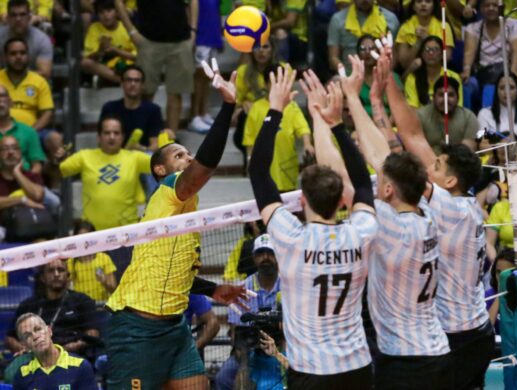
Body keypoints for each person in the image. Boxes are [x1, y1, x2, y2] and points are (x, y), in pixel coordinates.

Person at [303, 57, 451, 388]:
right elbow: (381, 158)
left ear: (386, 190)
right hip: (438, 350)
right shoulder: (427, 211)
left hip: (406, 362)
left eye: (381, 180)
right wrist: (355, 100)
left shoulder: (386, 222)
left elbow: (339, 176)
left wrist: (320, 117)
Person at [105, 68, 248, 389]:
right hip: (136, 328)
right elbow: (204, 167)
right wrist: (227, 107)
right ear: (160, 169)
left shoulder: (186, 212)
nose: (188, 158)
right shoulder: (168, 190)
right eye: (179, 155)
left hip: (175, 327)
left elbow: (171, 269)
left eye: (188, 153)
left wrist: (213, 290)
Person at [249, 66, 378, 388]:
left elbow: (258, 173)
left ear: (302, 201)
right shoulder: (360, 231)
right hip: (357, 367)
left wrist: (275, 109)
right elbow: (363, 182)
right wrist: (336, 125)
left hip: (311, 372)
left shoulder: (290, 237)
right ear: (341, 202)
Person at [376, 42, 494, 389]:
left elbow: (412, 136)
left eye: (437, 166)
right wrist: (382, 107)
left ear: (451, 180)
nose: (430, 169)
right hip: (477, 332)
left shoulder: (448, 207)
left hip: (456, 338)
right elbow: (403, 141)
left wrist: (389, 84)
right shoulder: (470, 206)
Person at [114, 0, 197, 132]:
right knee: (145, 92)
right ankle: (144, 137)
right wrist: (131, 32)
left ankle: (172, 139)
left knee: (176, 93)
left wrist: (193, 31)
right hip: (148, 40)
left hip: (181, 40)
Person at [58, 116, 151, 230]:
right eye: (107, 133)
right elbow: (60, 171)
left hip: (127, 232)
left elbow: (162, 165)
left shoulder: (134, 158)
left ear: (122, 137)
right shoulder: (84, 156)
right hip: (92, 231)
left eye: (116, 133)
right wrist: (58, 159)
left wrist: (168, 145)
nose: (111, 137)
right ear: (99, 137)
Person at [218, 233, 282, 390]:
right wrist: (245, 358)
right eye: (260, 254)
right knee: (223, 377)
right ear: (254, 258)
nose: (265, 258)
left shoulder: (290, 286)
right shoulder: (241, 290)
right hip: (248, 350)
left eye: (270, 253)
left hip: (282, 346)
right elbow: (236, 334)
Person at [5, 259, 100, 357]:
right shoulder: (28, 305)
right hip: (35, 357)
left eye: (61, 270)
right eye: (51, 270)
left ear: (68, 276)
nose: (56, 274)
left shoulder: (82, 301)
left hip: (71, 356)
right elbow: (10, 338)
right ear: (43, 278)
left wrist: (61, 350)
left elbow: (92, 334)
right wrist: (26, 351)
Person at [243, 64, 313, 192]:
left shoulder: (291, 106)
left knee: (289, 195)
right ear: (265, 84)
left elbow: (302, 127)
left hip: (286, 162)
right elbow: (250, 137)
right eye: (273, 82)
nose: (277, 86)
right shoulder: (256, 107)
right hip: (264, 161)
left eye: (281, 82)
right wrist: (249, 159)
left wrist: (307, 144)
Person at [0, 37, 61, 166]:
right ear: (5, 57)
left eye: (22, 53)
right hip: (2, 130)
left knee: (55, 139)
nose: (18, 57)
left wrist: (31, 132)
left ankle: (55, 186)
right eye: (13, 53)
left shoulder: (39, 81)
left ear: (28, 56)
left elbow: (48, 113)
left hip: (34, 131)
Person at [462, 0, 517, 105]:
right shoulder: (473, 28)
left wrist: (513, 73)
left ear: (503, 7)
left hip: (506, 73)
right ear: (480, 9)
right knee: (467, 84)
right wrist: (466, 70)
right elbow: (469, 53)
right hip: (482, 74)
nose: (491, 8)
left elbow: (516, 52)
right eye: (486, 5)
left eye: (495, 5)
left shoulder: (514, 24)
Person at [12, 313, 98, 389]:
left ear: (49, 331)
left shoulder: (80, 366)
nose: (35, 337)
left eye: (38, 329)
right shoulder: (22, 375)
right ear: (24, 345)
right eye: (27, 336)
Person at [234, 37, 281, 170]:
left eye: (265, 47)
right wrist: (242, 104)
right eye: (257, 47)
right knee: (244, 114)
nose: (261, 51)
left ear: (272, 50)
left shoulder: (282, 68)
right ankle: (249, 159)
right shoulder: (243, 71)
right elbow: (236, 101)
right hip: (253, 114)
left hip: (275, 108)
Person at [100, 65, 163, 151]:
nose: (133, 84)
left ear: (143, 85)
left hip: (142, 158)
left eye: (137, 81)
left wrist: (141, 149)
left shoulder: (153, 110)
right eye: (129, 80)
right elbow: (102, 141)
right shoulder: (109, 108)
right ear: (122, 84)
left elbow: (155, 144)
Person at [477, 72, 517, 156]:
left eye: (511, 88)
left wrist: (497, 146)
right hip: (493, 161)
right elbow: (481, 146)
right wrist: (507, 145)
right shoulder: (483, 113)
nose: (506, 92)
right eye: (502, 88)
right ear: (496, 91)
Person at [327, 0, 399, 71]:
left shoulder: (391, 20)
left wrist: (384, 74)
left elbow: (394, 56)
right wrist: (346, 76)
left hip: (381, 74)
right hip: (349, 75)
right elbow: (333, 58)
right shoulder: (338, 19)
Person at [417, 77, 478, 154]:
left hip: (458, 164)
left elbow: (467, 152)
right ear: (433, 97)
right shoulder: (420, 116)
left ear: (458, 98)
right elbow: (417, 149)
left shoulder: (468, 117)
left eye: (451, 95)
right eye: (441, 95)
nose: (446, 99)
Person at [81, 0, 136, 85]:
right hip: (105, 68)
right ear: (97, 15)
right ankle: (122, 80)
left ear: (117, 12)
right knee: (85, 62)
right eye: (101, 12)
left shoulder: (126, 27)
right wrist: (101, 50)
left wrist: (117, 51)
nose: (106, 15)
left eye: (109, 11)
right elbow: (89, 57)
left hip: (126, 66)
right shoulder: (94, 28)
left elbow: (136, 56)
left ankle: (115, 80)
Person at [188, 0, 223, 133]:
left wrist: (219, 35)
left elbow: (217, 11)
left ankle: (203, 113)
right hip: (200, 36)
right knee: (199, 76)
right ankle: (194, 116)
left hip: (213, 35)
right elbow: (189, 11)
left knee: (208, 76)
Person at [404, 36, 462, 108]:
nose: (431, 53)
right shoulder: (413, 78)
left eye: (435, 49)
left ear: (442, 54)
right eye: (427, 49)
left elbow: (458, 107)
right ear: (422, 54)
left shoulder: (453, 77)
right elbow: (412, 109)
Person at [0, 0, 53, 79]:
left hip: (33, 86)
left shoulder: (42, 40)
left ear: (29, 18)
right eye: (14, 15)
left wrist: (16, 77)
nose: (18, 19)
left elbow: (45, 74)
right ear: (8, 18)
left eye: (22, 15)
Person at [67, 220, 118, 302]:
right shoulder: (70, 263)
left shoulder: (104, 258)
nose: (84, 241)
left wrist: (104, 281)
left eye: (87, 237)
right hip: (80, 306)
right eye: (81, 238)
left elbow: (113, 290)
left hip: (101, 305)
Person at [396, 0, 454, 70]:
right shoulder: (405, 28)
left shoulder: (444, 26)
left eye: (428, 1)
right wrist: (418, 42)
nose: (423, 4)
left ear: (433, 6)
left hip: (438, 70)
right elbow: (404, 63)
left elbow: (446, 58)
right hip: (414, 71)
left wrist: (427, 40)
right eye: (419, 1)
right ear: (413, 6)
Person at [0, 85, 45, 173]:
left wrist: (27, 182)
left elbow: (37, 165)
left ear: (10, 102)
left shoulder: (29, 132)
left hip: (23, 181)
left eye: (2, 96)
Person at [356, 34, 402, 116]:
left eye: (371, 48)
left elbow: (400, 109)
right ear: (357, 54)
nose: (367, 52)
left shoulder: (392, 77)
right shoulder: (353, 78)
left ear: (378, 51)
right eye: (363, 49)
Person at [485, 248, 515, 330]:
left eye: (507, 272)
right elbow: (486, 330)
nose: (502, 277)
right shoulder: (488, 296)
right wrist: (499, 296)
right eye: (498, 272)